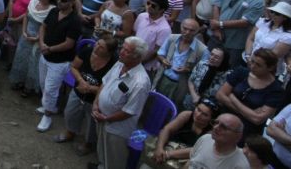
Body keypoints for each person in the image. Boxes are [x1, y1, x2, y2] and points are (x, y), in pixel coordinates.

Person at [93, 35, 151, 169]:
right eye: (122, 48)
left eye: (127, 51)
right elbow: (105, 82)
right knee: (102, 150)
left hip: (117, 128)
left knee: (114, 159)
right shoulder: (120, 63)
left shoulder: (140, 82)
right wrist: (96, 104)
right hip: (101, 117)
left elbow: (129, 112)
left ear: (137, 57)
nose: (121, 52)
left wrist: (106, 118)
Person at [35, 0, 82, 132]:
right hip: (45, 55)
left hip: (60, 61)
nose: (60, 2)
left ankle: (47, 117)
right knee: (44, 85)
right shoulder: (54, 11)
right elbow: (43, 27)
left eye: (64, 0)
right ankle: (49, 106)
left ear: (72, 3)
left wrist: (50, 48)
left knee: (51, 89)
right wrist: (42, 43)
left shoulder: (74, 20)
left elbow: (69, 43)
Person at [208, 0, 265, 67]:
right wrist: (216, 28)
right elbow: (217, 5)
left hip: (234, 44)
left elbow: (245, 22)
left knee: (226, 69)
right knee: (207, 61)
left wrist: (220, 24)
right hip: (216, 36)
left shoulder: (259, 1)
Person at [10, 0, 54, 97]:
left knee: (33, 63)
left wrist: (37, 38)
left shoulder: (52, 10)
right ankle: (19, 81)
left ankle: (28, 86)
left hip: (38, 40)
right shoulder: (33, 2)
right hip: (26, 35)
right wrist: (24, 32)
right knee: (22, 59)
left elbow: (48, 28)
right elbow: (26, 16)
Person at [147, 98, 219, 166]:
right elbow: (167, 129)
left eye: (205, 114)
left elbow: (196, 150)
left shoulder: (211, 133)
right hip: (169, 147)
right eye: (198, 109)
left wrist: (168, 154)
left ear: (211, 119)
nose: (198, 115)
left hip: (186, 158)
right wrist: (159, 148)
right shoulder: (186, 115)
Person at [154, 18, 208, 105]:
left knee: (173, 107)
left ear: (197, 32)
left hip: (182, 85)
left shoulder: (203, 50)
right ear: (180, 27)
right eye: (185, 28)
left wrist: (188, 70)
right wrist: (163, 60)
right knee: (155, 104)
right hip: (163, 79)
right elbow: (160, 54)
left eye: (191, 31)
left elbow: (202, 73)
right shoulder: (172, 38)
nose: (187, 32)